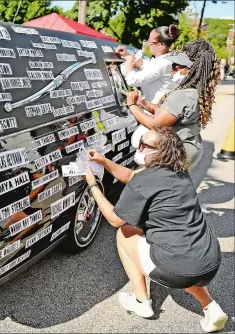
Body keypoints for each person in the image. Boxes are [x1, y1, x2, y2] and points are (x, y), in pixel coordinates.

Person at [83, 126, 228, 333]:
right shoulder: (179, 172)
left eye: (145, 145)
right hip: (209, 262)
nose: (139, 147)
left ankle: (141, 302)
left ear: (161, 152)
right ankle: (211, 307)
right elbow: (131, 175)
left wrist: (93, 186)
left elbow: (115, 219)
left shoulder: (145, 180)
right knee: (185, 262)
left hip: (177, 269)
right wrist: (103, 161)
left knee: (125, 233)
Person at [126, 40, 220, 170]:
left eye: (176, 65)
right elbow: (168, 113)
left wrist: (132, 105)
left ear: (190, 70)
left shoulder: (183, 95)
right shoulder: (192, 91)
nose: (172, 69)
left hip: (177, 155)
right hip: (188, 150)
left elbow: (155, 124)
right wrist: (145, 104)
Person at [117, 24, 180, 104]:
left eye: (150, 41)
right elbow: (147, 65)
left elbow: (133, 80)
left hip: (158, 109)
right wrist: (127, 55)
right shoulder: (166, 57)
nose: (147, 43)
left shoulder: (162, 63)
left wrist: (129, 61)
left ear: (159, 45)